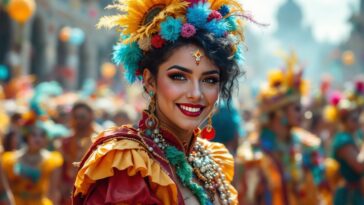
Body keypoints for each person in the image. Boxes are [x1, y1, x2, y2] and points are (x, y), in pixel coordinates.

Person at [72, 0, 247, 204]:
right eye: (179, 77)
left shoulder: (212, 159)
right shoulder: (128, 166)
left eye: (209, 80)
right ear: (150, 81)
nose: (195, 93)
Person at [236, 53, 328, 205]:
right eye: (297, 108)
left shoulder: (308, 146)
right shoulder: (253, 154)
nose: (303, 112)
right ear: (279, 112)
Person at [1, 124, 63, 205]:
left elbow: (54, 191)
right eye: (34, 135)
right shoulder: (10, 159)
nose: (38, 139)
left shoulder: (52, 160)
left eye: (42, 136)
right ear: (27, 138)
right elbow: (5, 188)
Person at [60, 102, 100, 205]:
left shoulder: (99, 141)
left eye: (82, 117)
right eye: (76, 117)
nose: (79, 121)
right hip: (68, 195)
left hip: (93, 194)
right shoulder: (66, 142)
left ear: (91, 116)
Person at [329, 89, 364, 205]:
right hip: (348, 196)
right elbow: (359, 166)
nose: (357, 119)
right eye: (352, 118)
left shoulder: (358, 135)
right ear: (343, 121)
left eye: (357, 115)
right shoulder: (343, 139)